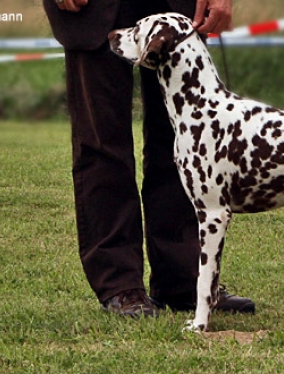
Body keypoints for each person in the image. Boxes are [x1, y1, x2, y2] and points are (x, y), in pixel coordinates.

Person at [43, 0, 254, 317]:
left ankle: (184, 281)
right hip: (95, 8)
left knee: (185, 142)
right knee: (102, 142)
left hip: (178, 8)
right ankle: (120, 285)